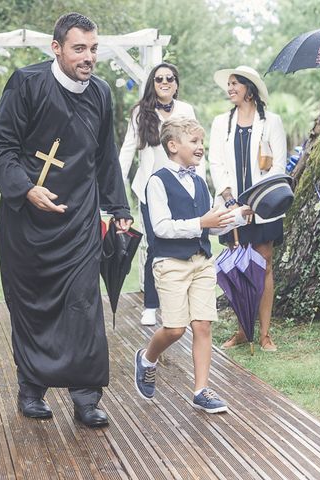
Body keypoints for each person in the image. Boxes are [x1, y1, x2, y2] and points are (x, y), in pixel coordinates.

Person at [0, 12, 132, 428]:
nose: (89, 57)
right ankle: (31, 388)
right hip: (27, 224)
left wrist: (118, 209)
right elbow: (1, 149)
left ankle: (86, 398)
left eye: (93, 48)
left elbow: (105, 156)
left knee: (84, 308)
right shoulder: (27, 83)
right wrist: (26, 188)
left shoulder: (101, 92)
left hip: (79, 223)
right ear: (57, 48)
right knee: (32, 308)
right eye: (79, 48)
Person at [134, 117, 246, 413]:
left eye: (201, 142)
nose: (201, 147)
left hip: (201, 262)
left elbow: (211, 227)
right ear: (173, 146)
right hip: (170, 262)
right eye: (194, 141)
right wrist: (201, 222)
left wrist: (238, 217)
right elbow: (161, 227)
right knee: (174, 329)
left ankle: (201, 390)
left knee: (203, 325)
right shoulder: (158, 181)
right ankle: (147, 358)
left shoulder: (199, 181)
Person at [208, 65, 287, 352]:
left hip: (263, 208)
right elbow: (215, 163)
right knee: (237, 267)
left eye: (235, 84)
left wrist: (257, 201)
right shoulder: (221, 123)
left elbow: (278, 165)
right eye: (228, 84)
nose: (229, 88)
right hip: (232, 208)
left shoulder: (272, 122)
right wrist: (231, 199)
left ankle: (265, 334)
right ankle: (243, 329)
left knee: (264, 265)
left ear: (249, 89)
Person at [119, 62, 201, 326]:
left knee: (187, 245)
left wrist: (200, 180)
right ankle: (151, 304)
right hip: (151, 189)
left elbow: (197, 146)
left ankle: (183, 301)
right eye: (159, 79)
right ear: (152, 84)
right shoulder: (141, 113)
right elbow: (127, 152)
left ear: (176, 83)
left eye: (170, 78)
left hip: (183, 187)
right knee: (155, 245)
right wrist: (116, 188)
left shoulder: (187, 110)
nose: (164, 82)